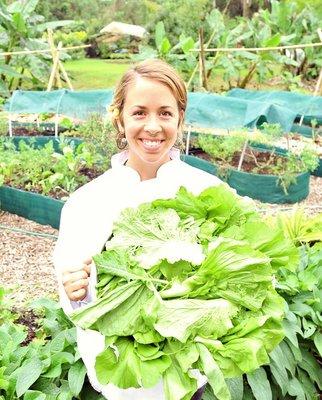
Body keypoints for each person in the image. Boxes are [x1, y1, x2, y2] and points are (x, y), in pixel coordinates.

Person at [53, 59, 224, 400]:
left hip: (187, 376)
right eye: (139, 112)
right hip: (123, 377)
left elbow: (230, 281)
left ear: (180, 119)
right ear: (119, 117)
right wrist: (76, 290)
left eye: (165, 113)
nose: (153, 126)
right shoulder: (86, 203)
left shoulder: (209, 192)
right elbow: (75, 295)